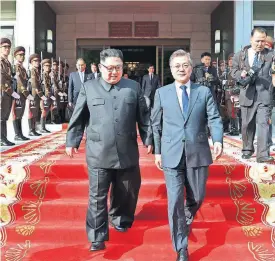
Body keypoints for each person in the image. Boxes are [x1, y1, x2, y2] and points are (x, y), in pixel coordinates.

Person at [65, 49, 153, 251]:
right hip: (98, 151)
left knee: (127, 190)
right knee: (97, 196)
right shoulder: (89, 87)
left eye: (118, 68)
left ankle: (120, 219)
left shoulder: (133, 87)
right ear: (101, 67)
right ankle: (97, 236)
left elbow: (144, 118)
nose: (113, 72)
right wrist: (72, 140)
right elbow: (77, 118)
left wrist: (149, 139)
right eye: (110, 68)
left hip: (126, 150)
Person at [151, 49, 223, 261]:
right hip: (171, 153)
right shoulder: (162, 93)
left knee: (197, 197)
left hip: (198, 151)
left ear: (191, 68)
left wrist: (217, 139)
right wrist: (157, 151)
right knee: (174, 201)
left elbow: (215, 118)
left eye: (185, 65)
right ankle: (181, 247)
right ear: (171, 69)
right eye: (176, 66)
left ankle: (184, 220)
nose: (181, 69)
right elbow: (156, 125)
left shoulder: (203, 92)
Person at [231, 27, 275, 163]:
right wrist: (241, 74)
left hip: (264, 95)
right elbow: (233, 71)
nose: (260, 44)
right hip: (247, 94)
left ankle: (263, 154)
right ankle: (247, 149)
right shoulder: (240, 55)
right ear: (251, 39)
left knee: (263, 124)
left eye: (263, 41)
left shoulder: (271, 55)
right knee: (247, 124)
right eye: (257, 41)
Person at [12, 46, 30, 141]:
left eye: (23, 55)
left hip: (22, 94)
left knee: (20, 114)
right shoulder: (15, 67)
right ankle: (17, 134)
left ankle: (20, 133)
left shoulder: (23, 68)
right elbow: (19, 81)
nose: (22, 57)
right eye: (20, 55)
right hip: (17, 93)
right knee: (16, 113)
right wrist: (25, 92)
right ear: (15, 56)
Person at [0, 38, 15, 146]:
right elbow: (2, 79)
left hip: (7, 93)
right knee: (1, 116)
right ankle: (1, 138)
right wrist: (10, 91)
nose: (7, 49)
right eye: (5, 47)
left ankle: (4, 137)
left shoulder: (8, 63)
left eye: (9, 47)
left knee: (5, 116)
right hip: (2, 92)